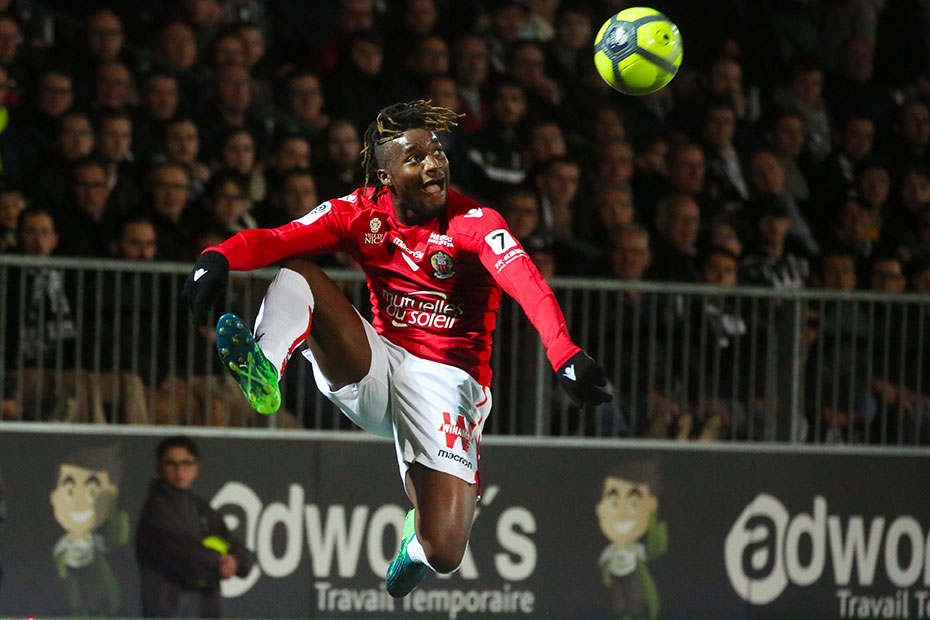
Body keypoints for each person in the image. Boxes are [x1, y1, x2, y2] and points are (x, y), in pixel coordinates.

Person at [182, 100, 610, 597]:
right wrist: (218, 256)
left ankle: (414, 547)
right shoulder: (360, 213)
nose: (433, 165)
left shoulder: (475, 222)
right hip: (380, 363)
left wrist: (564, 354)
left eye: (437, 153)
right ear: (385, 178)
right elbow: (281, 236)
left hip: (449, 383)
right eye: (415, 158)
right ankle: (265, 369)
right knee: (298, 273)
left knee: (445, 551)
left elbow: (527, 283)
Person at [136, 435, 254, 618]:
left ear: (196, 468)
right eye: (171, 464)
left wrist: (236, 561)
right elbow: (179, 550)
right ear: (159, 468)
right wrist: (218, 562)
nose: (179, 470)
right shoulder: (155, 510)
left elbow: (232, 543)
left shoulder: (202, 509)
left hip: (204, 610)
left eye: (186, 463)